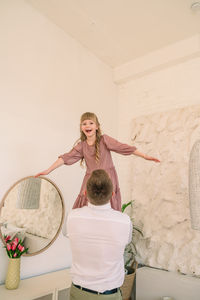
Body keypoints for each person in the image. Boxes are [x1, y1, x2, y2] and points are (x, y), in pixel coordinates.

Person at [35, 112, 160, 211]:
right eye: (84, 123)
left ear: (97, 126)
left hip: (108, 177)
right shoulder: (81, 146)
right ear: (81, 127)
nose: (87, 126)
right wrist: (48, 170)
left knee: (107, 205)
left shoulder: (104, 140)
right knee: (86, 204)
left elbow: (123, 147)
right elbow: (65, 158)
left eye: (91, 123)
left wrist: (144, 156)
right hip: (90, 179)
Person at [67, 169, 132, 300]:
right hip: (108, 296)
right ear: (112, 194)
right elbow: (127, 240)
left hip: (78, 293)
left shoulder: (72, 217)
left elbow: (66, 233)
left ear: (85, 193)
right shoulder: (124, 221)